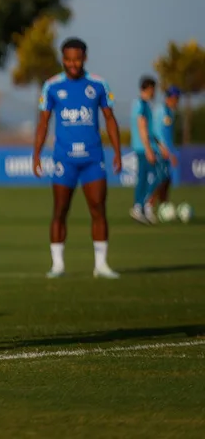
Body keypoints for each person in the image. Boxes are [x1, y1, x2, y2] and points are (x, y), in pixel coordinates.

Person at [32, 38, 122, 279]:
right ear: (63, 59)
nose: (73, 64)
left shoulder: (99, 85)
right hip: (64, 160)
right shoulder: (51, 86)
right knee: (60, 211)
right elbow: (43, 122)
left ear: (85, 58)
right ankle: (57, 265)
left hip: (93, 159)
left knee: (98, 209)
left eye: (77, 59)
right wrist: (37, 153)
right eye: (69, 59)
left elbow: (110, 119)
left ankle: (101, 265)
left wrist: (118, 151)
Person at [129, 77, 162, 225]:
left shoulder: (145, 105)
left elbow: (149, 129)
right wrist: (149, 149)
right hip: (143, 147)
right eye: (154, 89)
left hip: (146, 146)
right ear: (149, 88)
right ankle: (141, 205)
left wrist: (159, 145)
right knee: (156, 175)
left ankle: (142, 206)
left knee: (148, 176)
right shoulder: (141, 104)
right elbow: (142, 127)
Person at [151, 86, 181, 213]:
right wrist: (163, 149)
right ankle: (148, 205)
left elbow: (168, 136)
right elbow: (156, 133)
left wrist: (171, 153)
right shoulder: (161, 111)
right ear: (171, 98)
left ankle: (164, 205)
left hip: (166, 152)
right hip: (160, 151)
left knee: (166, 179)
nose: (177, 102)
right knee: (161, 179)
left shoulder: (170, 113)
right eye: (176, 99)